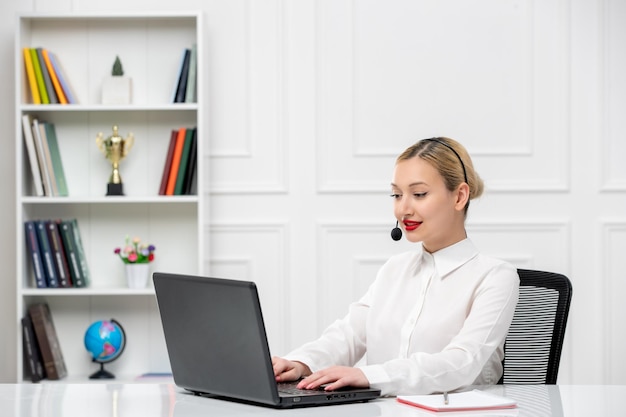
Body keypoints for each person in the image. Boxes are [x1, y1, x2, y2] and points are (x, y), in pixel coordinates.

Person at [272, 137, 520, 396]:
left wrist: (369, 376)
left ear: (459, 196)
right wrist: (301, 363)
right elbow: (349, 334)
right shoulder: (395, 269)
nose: (403, 208)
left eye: (419, 194)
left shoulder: (495, 276)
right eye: (397, 195)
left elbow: (463, 362)